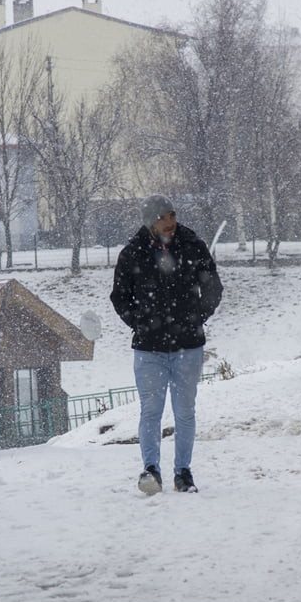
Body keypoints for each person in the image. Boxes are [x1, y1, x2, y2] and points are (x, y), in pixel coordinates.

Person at [110, 194, 223, 494]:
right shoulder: (133, 253)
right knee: (151, 410)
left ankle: (183, 473)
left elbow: (213, 286)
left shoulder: (192, 245)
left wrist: (197, 317)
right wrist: (139, 322)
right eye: (162, 216)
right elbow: (119, 296)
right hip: (148, 349)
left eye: (172, 214)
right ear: (150, 221)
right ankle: (151, 470)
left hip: (188, 345)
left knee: (185, 411)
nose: (170, 222)